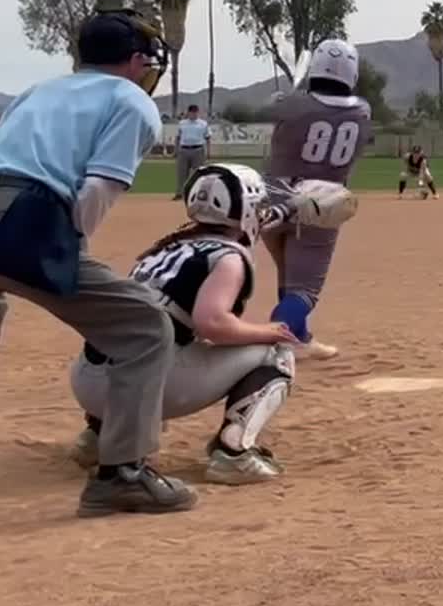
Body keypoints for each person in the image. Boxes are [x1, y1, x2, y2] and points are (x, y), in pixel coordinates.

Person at [0, 9, 196, 517]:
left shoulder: (41, 89)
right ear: (136, 61)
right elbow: (97, 190)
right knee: (144, 326)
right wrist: (69, 248)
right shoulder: (130, 100)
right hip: (17, 222)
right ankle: (123, 473)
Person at [69, 163, 302, 484]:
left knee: (144, 337)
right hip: (139, 386)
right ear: (245, 209)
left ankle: (97, 437)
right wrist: (268, 331)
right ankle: (233, 453)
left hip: (88, 378)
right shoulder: (228, 257)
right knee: (276, 353)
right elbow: (213, 324)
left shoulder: (171, 245)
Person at [261, 39, 373, 360]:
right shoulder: (362, 110)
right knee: (305, 288)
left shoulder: (288, 104)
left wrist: (285, 101)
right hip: (321, 201)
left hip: (272, 199)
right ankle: (272, 336)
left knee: (287, 272)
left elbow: (275, 113)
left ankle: (300, 338)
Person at [173, 104, 211, 200]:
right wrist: (175, 150)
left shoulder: (203, 124)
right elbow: (178, 137)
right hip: (184, 150)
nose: (194, 114)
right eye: (192, 112)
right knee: (182, 173)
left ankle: (198, 194)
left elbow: (208, 138)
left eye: (195, 112)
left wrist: (209, 151)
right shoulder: (182, 123)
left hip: (198, 150)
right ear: (188, 113)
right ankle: (180, 193)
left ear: (198, 112)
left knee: (198, 173)